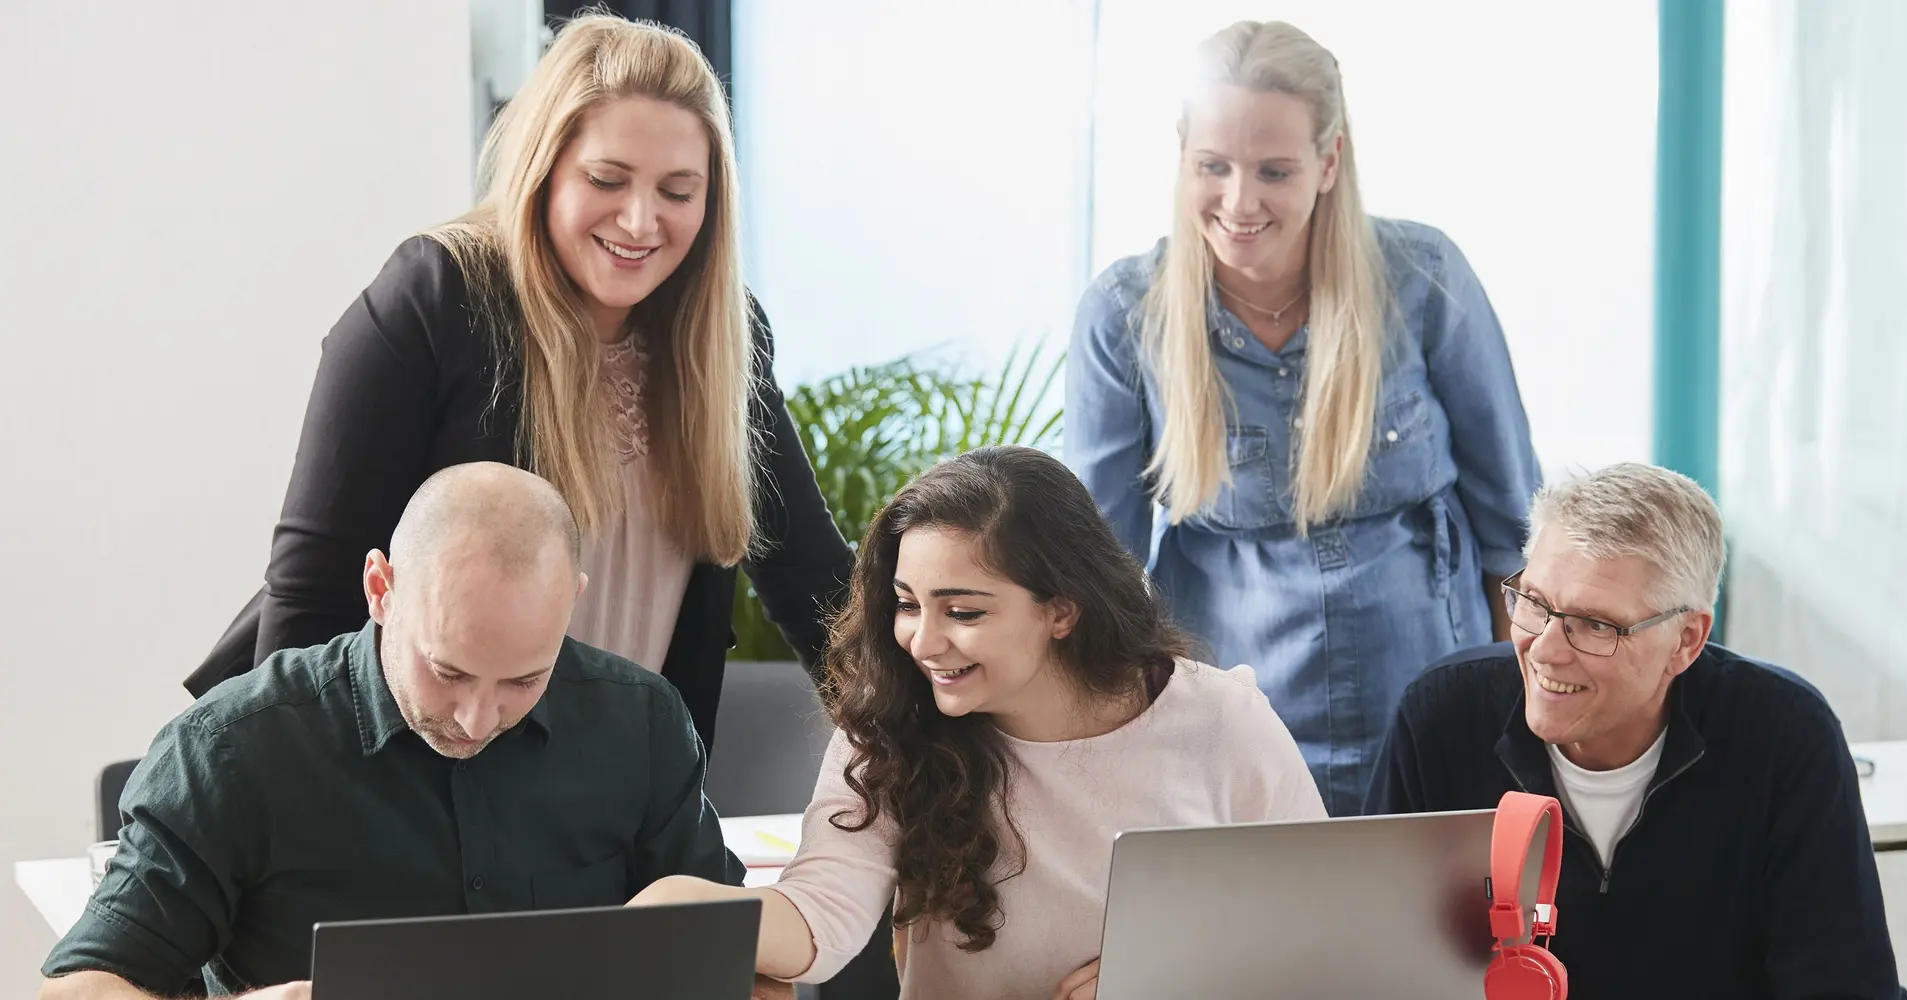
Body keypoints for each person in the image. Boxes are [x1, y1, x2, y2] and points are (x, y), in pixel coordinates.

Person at [184, 12, 851, 752]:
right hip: (421, 780)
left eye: (677, 190)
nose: (640, 219)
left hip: (618, 797)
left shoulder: (725, 334)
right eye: (607, 179)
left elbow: (816, 585)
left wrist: (941, 752)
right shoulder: (437, 297)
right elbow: (311, 600)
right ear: (544, 168)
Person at [627, 446, 1326, 999]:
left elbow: (1319, 929)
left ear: (1062, 609)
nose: (923, 642)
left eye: (963, 612)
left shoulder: (1220, 720)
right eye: (907, 604)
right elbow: (822, 918)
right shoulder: (891, 726)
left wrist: (1165, 979)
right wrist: (683, 906)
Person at [1065, 19, 1542, 816]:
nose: (1239, 201)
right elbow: (1097, 564)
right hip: (1229, 718)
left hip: (1427, 689)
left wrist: (1519, 717)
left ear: (1330, 161)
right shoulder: (1124, 312)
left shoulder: (1425, 280)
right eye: (1212, 166)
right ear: (1181, 153)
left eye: (1274, 170)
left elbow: (1513, 533)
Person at [39, 463, 744, 998]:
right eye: (450, 671)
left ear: (572, 602)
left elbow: (730, 959)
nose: (478, 719)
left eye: (524, 681)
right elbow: (78, 988)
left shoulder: (641, 723)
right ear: (381, 590)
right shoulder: (232, 751)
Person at [1364, 463, 1901, 997]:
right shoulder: (1438, 720)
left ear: (1686, 640)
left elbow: (1846, 984)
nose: (1544, 650)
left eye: (1595, 625)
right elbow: (1371, 964)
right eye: (1533, 603)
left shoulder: (1786, 737)